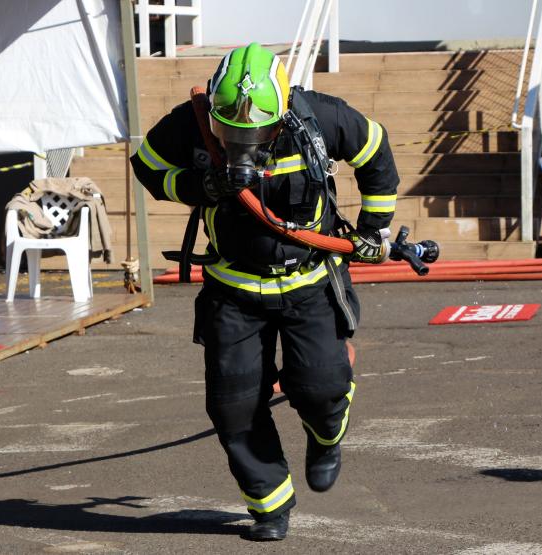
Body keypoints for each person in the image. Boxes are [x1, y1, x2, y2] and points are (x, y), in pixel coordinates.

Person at [130, 43, 398, 541]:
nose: (242, 141)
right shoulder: (190, 121)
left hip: (309, 283)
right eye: (230, 131)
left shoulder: (319, 115)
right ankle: (269, 506)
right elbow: (146, 166)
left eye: (256, 131)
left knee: (320, 386)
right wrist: (198, 186)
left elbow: (375, 150)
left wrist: (375, 228)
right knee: (232, 403)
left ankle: (326, 434)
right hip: (232, 290)